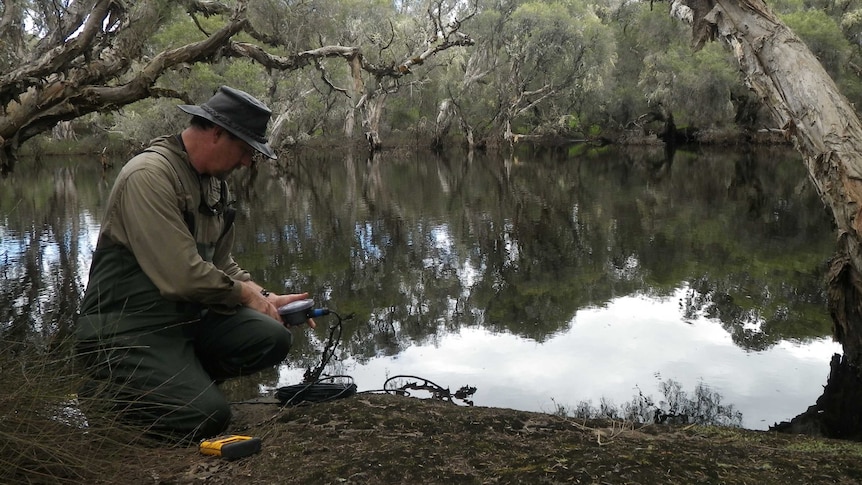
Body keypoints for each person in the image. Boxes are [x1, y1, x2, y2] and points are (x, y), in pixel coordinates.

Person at [76, 86, 314, 442]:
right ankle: (112, 394)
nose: (248, 162)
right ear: (217, 132)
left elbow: (222, 265)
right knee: (207, 418)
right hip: (128, 330)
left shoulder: (215, 186)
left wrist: (266, 297)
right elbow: (183, 277)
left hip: (185, 320)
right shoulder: (149, 176)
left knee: (271, 336)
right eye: (246, 149)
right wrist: (247, 298)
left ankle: (183, 380)